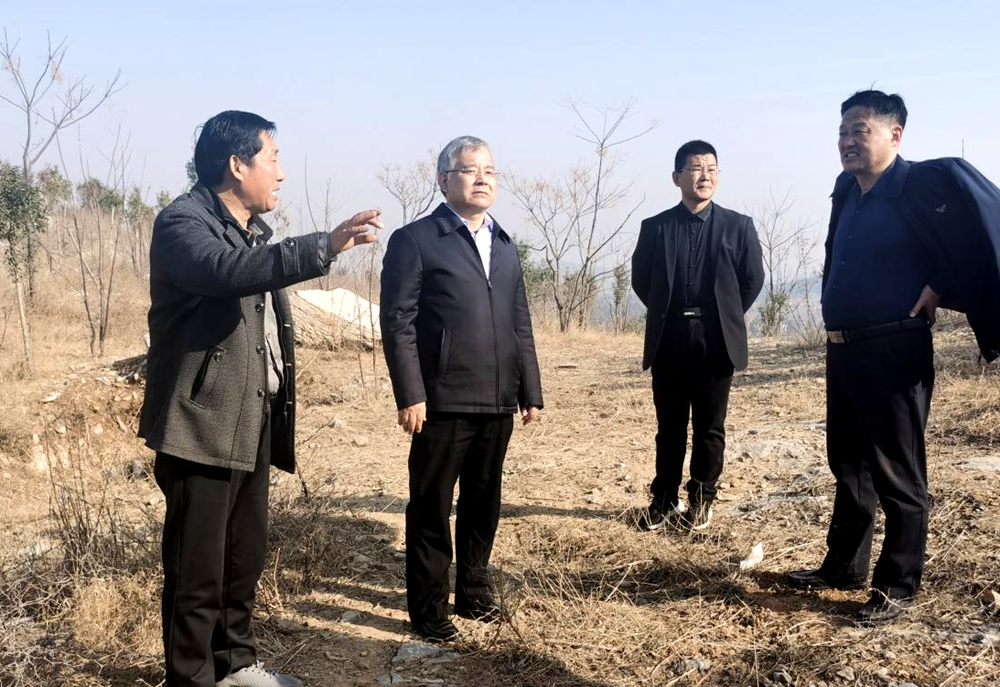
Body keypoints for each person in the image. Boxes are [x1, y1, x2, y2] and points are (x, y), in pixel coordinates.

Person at [139, 110, 382, 687]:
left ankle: (236, 665)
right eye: (273, 159)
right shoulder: (183, 223)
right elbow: (224, 272)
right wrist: (324, 245)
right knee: (196, 571)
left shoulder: (252, 231)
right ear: (236, 164)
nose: (281, 173)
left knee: (242, 558)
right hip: (200, 423)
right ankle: (192, 677)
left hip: (251, 418)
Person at [786, 89, 1000, 624]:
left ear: (894, 135)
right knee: (848, 464)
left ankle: (897, 586)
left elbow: (974, 239)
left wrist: (942, 284)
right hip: (843, 347)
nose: (847, 141)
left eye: (860, 130)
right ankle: (844, 566)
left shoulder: (920, 187)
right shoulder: (846, 189)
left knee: (897, 472)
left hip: (894, 347)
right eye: (842, 132)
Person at [380, 135, 543, 642]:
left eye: (490, 171)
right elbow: (398, 321)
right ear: (443, 180)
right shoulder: (416, 240)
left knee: (482, 502)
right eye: (470, 170)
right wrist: (411, 392)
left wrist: (529, 388)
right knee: (431, 505)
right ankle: (428, 610)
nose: (482, 179)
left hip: (497, 399)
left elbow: (520, 321)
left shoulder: (504, 243)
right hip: (441, 399)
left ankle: (473, 592)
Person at [631, 140, 764, 532]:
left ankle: (702, 499)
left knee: (710, 426)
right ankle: (664, 500)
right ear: (677, 177)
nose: (704, 175)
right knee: (669, 427)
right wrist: (667, 310)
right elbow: (642, 280)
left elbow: (752, 279)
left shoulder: (739, 226)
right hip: (669, 336)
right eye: (695, 168)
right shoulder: (655, 228)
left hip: (716, 338)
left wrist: (725, 313)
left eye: (711, 168)